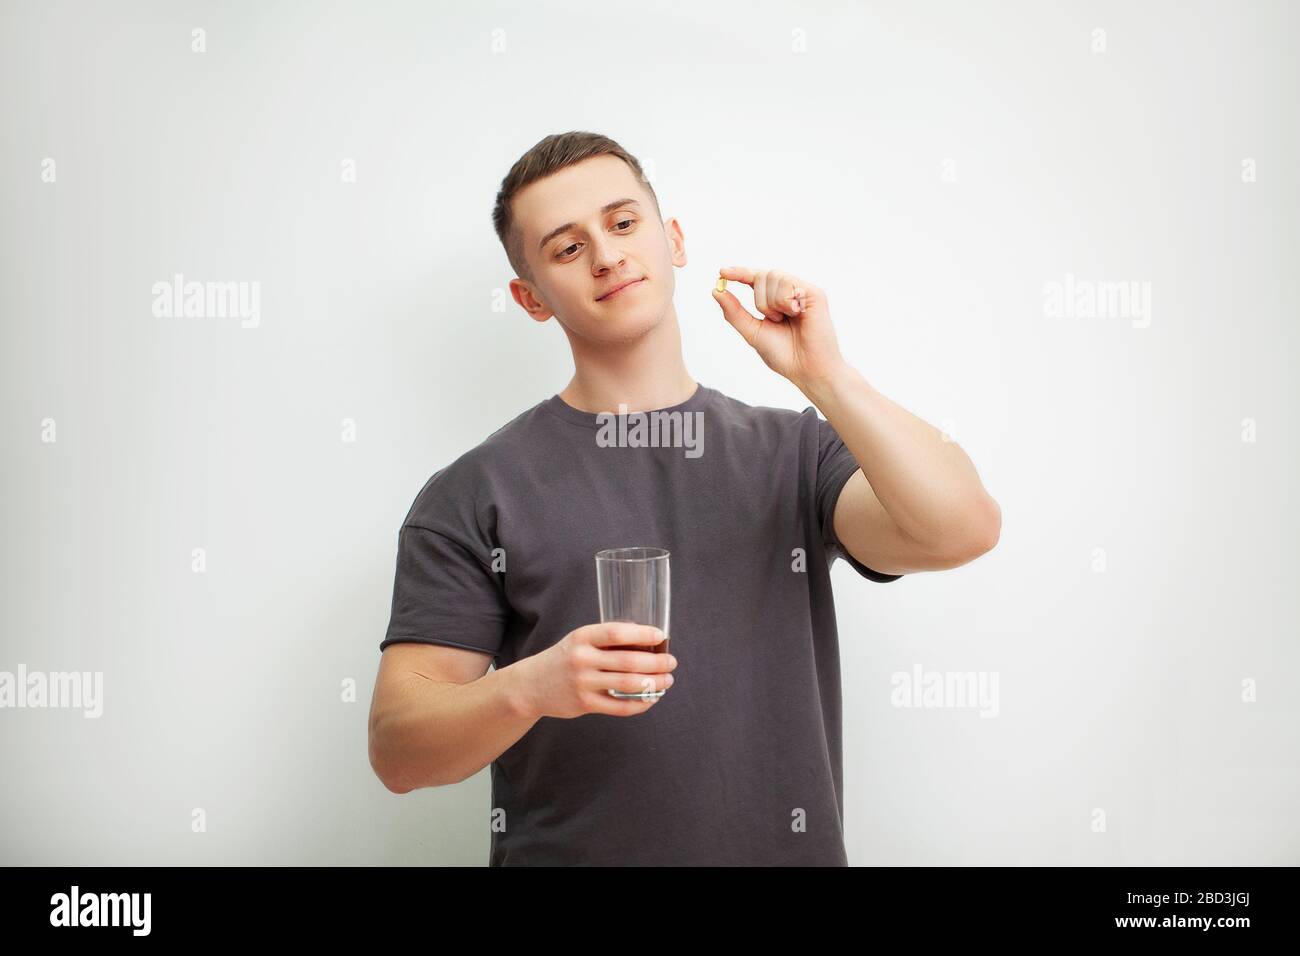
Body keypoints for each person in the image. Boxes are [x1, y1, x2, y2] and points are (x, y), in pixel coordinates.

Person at [367, 131, 1001, 865]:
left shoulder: (794, 453)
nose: (607, 255)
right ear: (530, 298)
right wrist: (533, 687)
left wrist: (825, 377)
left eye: (624, 223)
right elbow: (398, 751)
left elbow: (964, 529)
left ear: (673, 240)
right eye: (567, 249)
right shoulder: (475, 493)